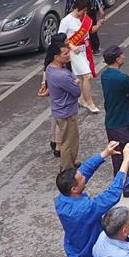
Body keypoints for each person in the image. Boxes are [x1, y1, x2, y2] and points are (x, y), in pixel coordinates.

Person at [56, 141, 129, 257]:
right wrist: (126, 161)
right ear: (74, 188)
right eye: (81, 179)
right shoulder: (84, 209)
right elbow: (113, 193)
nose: (84, 177)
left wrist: (104, 153)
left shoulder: (62, 199)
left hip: (74, 256)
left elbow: (84, 171)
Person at [100, 46, 129, 197]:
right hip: (122, 122)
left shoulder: (105, 76)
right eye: (121, 55)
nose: (124, 57)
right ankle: (128, 185)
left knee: (117, 155)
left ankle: (120, 182)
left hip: (111, 122)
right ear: (117, 59)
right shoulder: (121, 78)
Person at [59, 0, 101, 113]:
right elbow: (60, 39)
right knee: (87, 76)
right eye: (84, 10)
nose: (85, 13)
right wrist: (71, 46)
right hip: (74, 53)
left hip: (85, 51)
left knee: (82, 77)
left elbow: (88, 31)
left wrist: (98, 26)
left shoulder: (83, 19)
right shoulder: (66, 21)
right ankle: (90, 103)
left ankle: (81, 99)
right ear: (78, 8)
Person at [44, 41, 82, 169]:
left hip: (59, 110)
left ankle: (70, 162)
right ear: (56, 57)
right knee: (70, 142)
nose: (68, 55)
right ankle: (67, 167)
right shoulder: (62, 75)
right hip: (67, 113)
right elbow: (76, 91)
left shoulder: (51, 68)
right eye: (65, 53)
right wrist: (76, 82)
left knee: (68, 139)